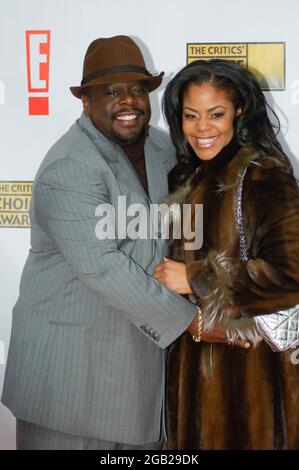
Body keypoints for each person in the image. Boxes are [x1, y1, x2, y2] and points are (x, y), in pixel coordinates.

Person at [1, 35, 205, 450]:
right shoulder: (70, 166)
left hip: (138, 378)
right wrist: (196, 321)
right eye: (111, 92)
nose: (128, 101)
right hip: (69, 384)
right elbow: (102, 266)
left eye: (136, 89)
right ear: (86, 101)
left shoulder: (163, 146)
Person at [153, 59, 299, 449]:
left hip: (250, 380)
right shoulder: (184, 175)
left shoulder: (262, 172)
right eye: (191, 116)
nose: (202, 128)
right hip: (191, 373)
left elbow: (291, 272)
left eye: (215, 114)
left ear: (239, 111)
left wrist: (196, 277)